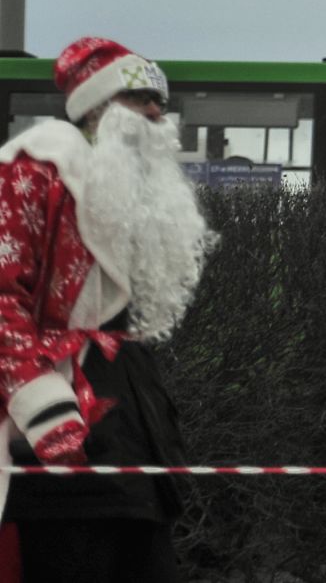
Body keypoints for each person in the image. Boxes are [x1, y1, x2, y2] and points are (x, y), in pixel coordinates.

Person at [0, 37, 217, 582]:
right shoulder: (34, 171)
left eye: (159, 100)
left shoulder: (130, 191)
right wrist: (43, 404)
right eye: (139, 97)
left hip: (130, 430)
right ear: (94, 107)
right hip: (58, 429)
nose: (155, 111)